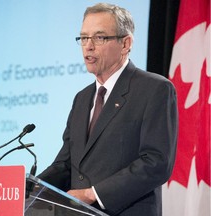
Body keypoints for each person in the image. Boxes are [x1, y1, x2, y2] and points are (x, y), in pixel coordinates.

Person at [38, 3, 178, 216]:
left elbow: (156, 163)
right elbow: (66, 164)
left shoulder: (155, 89)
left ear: (126, 43)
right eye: (84, 38)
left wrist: (93, 193)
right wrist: (30, 189)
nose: (88, 46)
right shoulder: (82, 98)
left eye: (99, 37)